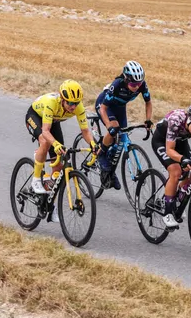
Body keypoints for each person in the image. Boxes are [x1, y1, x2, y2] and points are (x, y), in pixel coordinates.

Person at [24, 80, 97, 210]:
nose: (73, 107)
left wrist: (92, 143)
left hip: (54, 120)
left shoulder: (78, 107)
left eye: (75, 103)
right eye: (69, 102)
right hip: (35, 116)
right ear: (62, 99)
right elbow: (45, 131)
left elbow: (85, 131)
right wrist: (56, 144)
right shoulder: (52, 103)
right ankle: (36, 179)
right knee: (45, 141)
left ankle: (49, 204)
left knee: (58, 167)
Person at [94, 60, 154, 190]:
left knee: (122, 138)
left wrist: (148, 120)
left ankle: (109, 170)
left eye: (138, 83)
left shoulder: (141, 85)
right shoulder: (117, 85)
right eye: (133, 83)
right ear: (126, 79)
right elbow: (103, 109)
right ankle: (101, 154)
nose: (136, 86)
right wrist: (109, 127)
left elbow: (148, 102)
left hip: (120, 107)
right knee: (114, 130)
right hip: (105, 105)